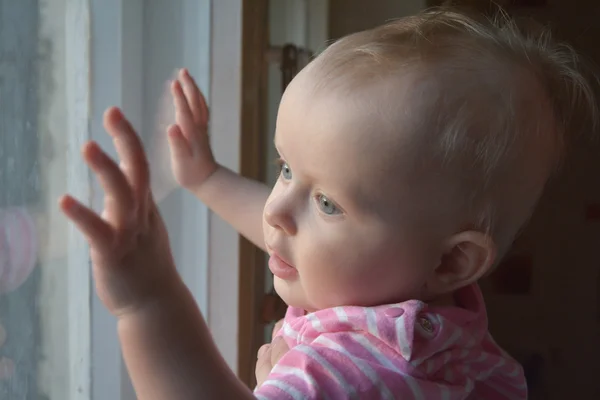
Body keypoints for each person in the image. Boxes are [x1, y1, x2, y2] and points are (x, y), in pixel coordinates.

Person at [59, 7, 596, 400]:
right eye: (286, 169)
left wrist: (147, 301)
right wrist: (207, 178)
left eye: (328, 203)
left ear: (453, 260)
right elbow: (301, 242)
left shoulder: (357, 369)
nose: (274, 211)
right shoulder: (433, 313)